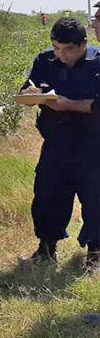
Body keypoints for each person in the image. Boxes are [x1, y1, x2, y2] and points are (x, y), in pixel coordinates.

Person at [22, 18, 100, 268]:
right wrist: (31, 95)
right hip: (57, 141)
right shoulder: (45, 61)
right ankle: (46, 249)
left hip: (93, 144)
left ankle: (95, 254)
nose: (62, 54)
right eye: (57, 48)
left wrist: (69, 104)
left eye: (68, 49)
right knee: (47, 194)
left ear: (83, 44)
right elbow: (29, 88)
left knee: (95, 197)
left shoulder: (97, 62)